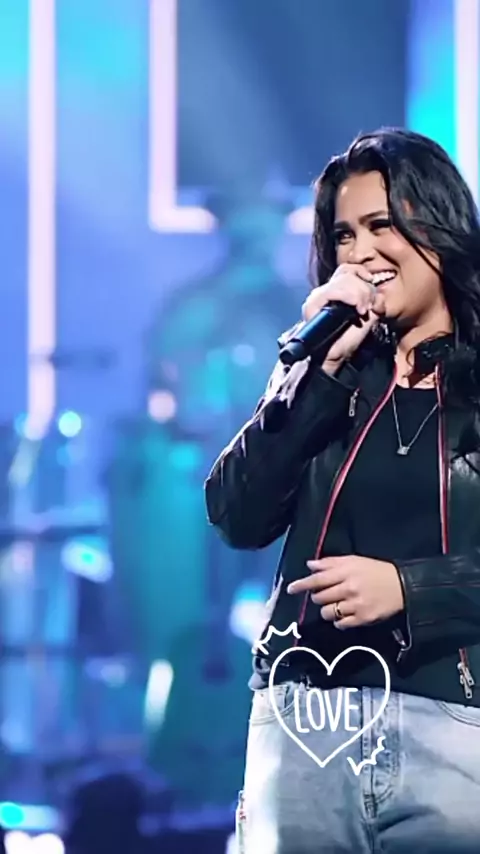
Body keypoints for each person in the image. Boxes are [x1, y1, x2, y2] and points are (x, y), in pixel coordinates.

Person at [205, 128, 480, 853]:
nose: (361, 253)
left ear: (440, 225)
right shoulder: (327, 373)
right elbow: (236, 514)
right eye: (344, 235)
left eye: (381, 225)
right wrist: (314, 377)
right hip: (306, 722)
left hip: (455, 723)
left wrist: (409, 589)